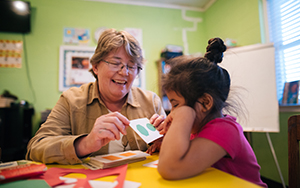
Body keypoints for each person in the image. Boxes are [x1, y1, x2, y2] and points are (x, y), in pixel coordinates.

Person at [26, 28, 165, 164]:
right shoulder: (71, 100)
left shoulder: (151, 102)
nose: (124, 72)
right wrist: (86, 143)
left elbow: (172, 150)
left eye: (132, 66)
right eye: (116, 63)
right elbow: (35, 148)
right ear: (95, 67)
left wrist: (165, 142)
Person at [156, 38, 267, 187]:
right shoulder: (200, 128)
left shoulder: (225, 130)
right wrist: (166, 142)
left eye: (176, 105)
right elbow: (182, 156)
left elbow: (169, 168)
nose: (173, 112)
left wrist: (183, 116)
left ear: (205, 102)